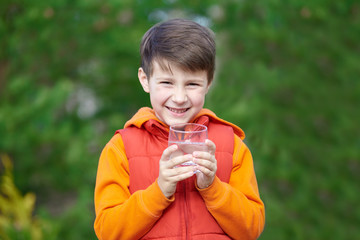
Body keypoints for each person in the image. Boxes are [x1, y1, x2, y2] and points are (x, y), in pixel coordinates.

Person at [94, 18, 265, 240]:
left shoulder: (231, 145)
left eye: (192, 84)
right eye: (167, 83)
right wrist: (160, 190)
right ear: (145, 80)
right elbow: (108, 232)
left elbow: (251, 229)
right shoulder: (120, 149)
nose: (179, 97)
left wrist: (212, 187)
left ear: (209, 82)